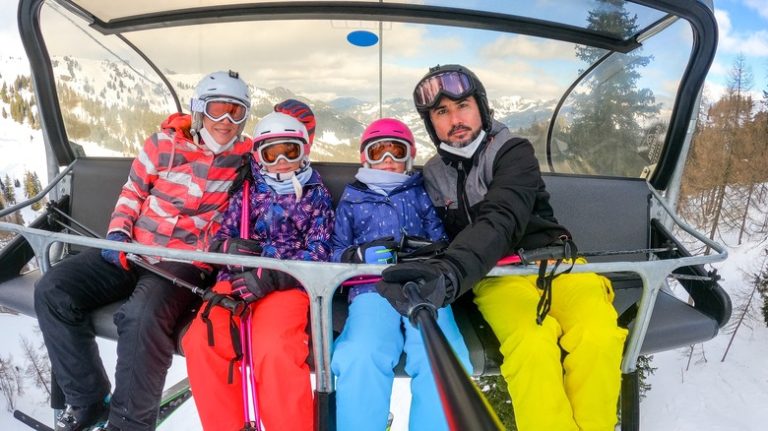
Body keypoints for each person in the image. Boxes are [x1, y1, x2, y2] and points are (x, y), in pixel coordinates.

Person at [375, 64, 629, 431]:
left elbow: (502, 217)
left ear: (481, 106)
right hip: (497, 277)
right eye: (441, 112)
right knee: (531, 344)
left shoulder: (512, 152)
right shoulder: (433, 175)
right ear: (432, 124)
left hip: (558, 263)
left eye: (462, 105)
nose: (455, 119)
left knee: (600, 335)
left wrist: (450, 274)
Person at [34, 70, 253, 431]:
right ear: (199, 111)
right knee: (53, 289)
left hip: (182, 263)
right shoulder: (162, 146)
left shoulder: (246, 162)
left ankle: (128, 424)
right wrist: (118, 234)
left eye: (236, 112)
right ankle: (88, 399)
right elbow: (132, 193)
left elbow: (285, 154)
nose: (226, 122)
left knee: (140, 317)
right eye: (217, 110)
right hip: (133, 249)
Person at [182, 110, 334, 431]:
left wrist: (278, 272)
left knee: (274, 348)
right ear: (259, 157)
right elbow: (221, 238)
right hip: (237, 280)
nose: (281, 161)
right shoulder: (246, 192)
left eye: (290, 151)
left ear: (303, 152)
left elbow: (321, 251)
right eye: (271, 153)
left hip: (287, 285)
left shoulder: (315, 196)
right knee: (202, 340)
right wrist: (229, 251)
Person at [330, 118, 472, 431]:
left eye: (396, 152)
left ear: (409, 155)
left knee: (442, 353)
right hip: (371, 288)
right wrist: (357, 256)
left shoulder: (419, 193)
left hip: (423, 285)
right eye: (378, 152)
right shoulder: (353, 199)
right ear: (365, 157)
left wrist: (429, 253)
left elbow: (443, 241)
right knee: (361, 353)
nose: (388, 162)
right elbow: (334, 251)